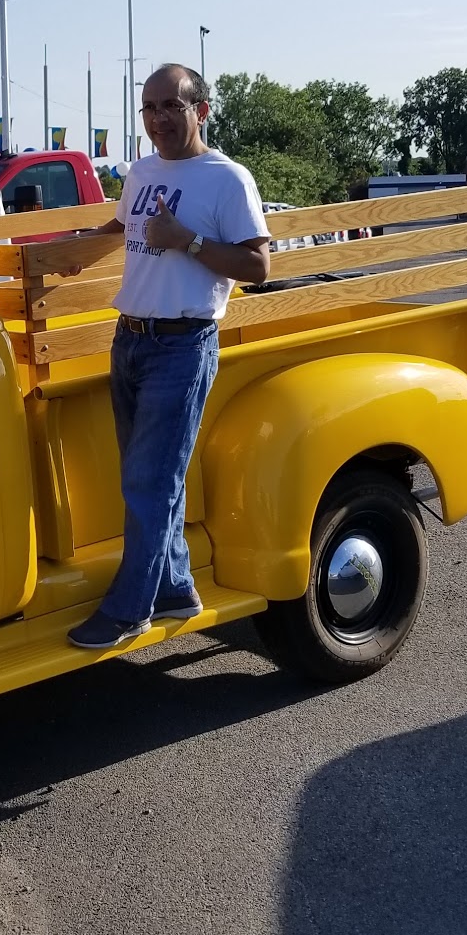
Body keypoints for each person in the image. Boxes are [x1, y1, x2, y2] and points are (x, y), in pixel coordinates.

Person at [68, 63, 271, 651]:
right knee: (153, 478)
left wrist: (188, 241)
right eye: (149, 108)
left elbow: (259, 266)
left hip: (182, 344)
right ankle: (177, 588)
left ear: (200, 110)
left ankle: (130, 609)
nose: (158, 119)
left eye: (171, 106)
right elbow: (122, 226)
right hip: (130, 338)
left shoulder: (227, 179)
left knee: (149, 482)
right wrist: (72, 252)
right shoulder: (141, 172)